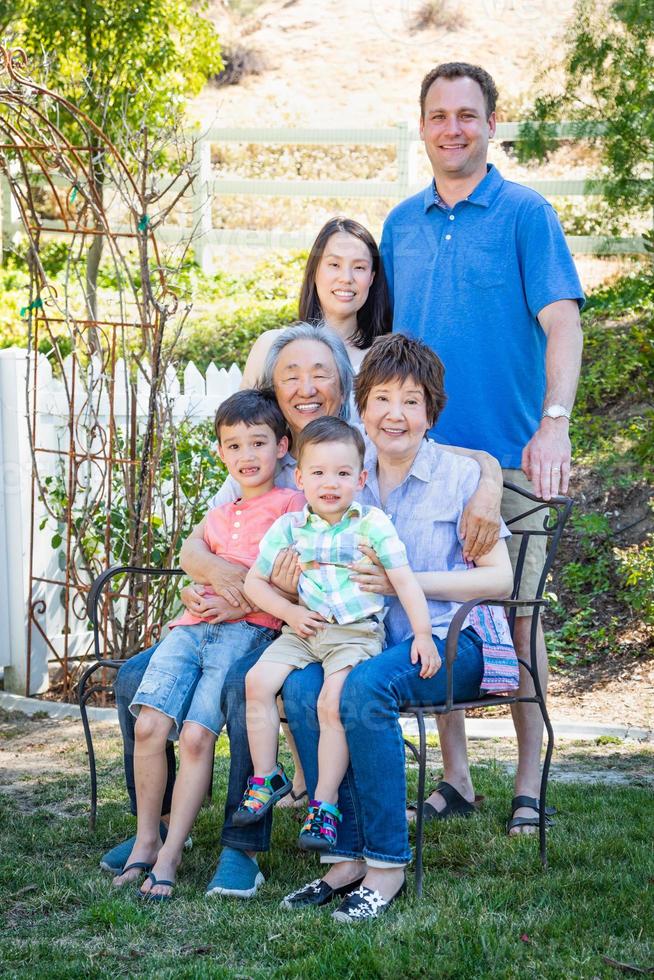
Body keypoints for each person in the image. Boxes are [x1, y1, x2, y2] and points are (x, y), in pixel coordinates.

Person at [100, 323, 502, 883]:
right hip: (257, 615)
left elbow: (445, 453)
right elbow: (201, 542)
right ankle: (163, 826)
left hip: (301, 625)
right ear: (275, 389)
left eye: (321, 373)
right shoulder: (263, 449)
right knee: (132, 680)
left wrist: (489, 476)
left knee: (253, 683)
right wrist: (218, 581)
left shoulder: (356, 449)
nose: (307, 386)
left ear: (343, 385)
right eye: (292, 375)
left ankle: (244, 844)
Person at [207, 334, 515, 911]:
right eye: (381, 399)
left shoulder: (458, 477)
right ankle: (342, 859)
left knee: (363, 690)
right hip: (363, 639)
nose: (395, 414)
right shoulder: (344, 470)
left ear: (431, 412)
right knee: (301, 686)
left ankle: (385, 867)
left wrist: (407, 581)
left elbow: (499, 580)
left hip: (451, 639)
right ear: (361, 405)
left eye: (412, 401)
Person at [380, 62, 585, 834]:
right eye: (439, 115)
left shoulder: (527, 214)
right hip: (425, 462)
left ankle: (530, 781)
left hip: (511, 458)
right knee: (427, 609)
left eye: (468, 114)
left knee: (520, 617)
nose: (453, 128)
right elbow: (390, 347)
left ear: (491, 124)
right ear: (423, 125)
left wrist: (555, 419)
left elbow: (562, 321)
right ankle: (459, 778)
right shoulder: (402, 224)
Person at [110, 390, 305, 899]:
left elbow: (295, 580)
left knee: (197, 737)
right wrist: (193, 587)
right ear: (221, 452)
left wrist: (238, 602)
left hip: (249, 632)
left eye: (258, 443)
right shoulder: (220, 511)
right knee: (150, 722)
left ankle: (173, 854)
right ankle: (146, 840)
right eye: (234, 445)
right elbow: (192, 555)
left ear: (282, 447)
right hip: (188, 630)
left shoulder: (292, 506)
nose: (247, 455)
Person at [234, 417, 438, 854]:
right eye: (320, 473)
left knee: (331, 703)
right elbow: (254, 583)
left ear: (361, 479)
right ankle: (267, 776)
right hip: (304, 626)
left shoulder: (371, 524)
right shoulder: (290, 528)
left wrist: (422, 634)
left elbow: (403, 580)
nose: (331, 483)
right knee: (257, 682)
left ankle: (324, 805)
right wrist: (289, 610)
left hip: (353, 634)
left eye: (343, 473)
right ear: (301, 477)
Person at [241, 217, 390, 388]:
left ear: (371, 278)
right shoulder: (269, 347)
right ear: (315, 270)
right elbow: (243, 414)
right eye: (334, 264)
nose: (346, 278)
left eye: (359, 267)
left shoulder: (383, 359)